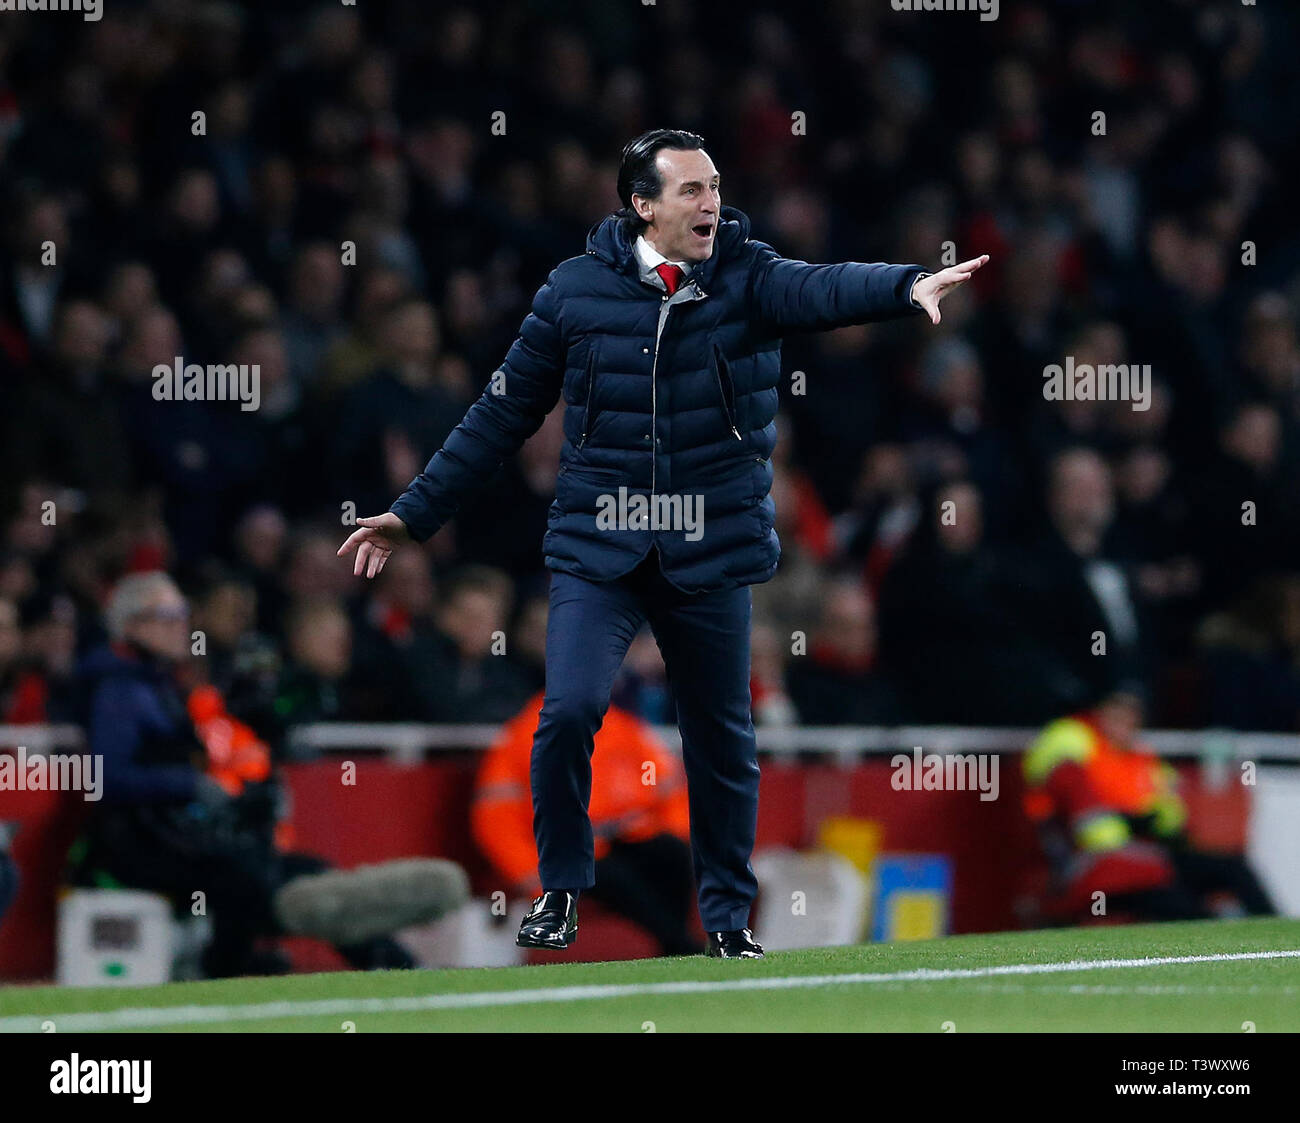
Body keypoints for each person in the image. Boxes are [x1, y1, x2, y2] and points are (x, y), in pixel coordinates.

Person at [339, 128, 985, 958]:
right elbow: (500, 414)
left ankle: (724, 919)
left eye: (714, 186)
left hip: (709, 548)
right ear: (642, 205)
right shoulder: (572, 292)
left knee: (720, 736)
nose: (711, 202)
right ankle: (562, 891)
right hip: (599, 547)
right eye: (689, 190)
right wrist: (412, 514)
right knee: (568, 710)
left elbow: (822, 289)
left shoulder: (750, 278)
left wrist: (905, 286)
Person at [70, 571, 465, 976]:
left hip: (172, 836)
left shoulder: (156, 684)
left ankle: (393, 964)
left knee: (299, 870)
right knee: (244, 874)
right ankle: (226, 969)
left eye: (182, 614)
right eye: (167, 616)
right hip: (134, 846)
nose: (180, 626)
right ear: (131, 624)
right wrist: (192, 784)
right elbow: (107, 779)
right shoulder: (119, 689)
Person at [473, 692, 701, 956]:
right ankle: (679, 946)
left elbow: (670, 790)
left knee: (673, 854)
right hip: (565, 851)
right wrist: (531, 873)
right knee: (615, 878)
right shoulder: (521, 738)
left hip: (628, 837)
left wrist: (672, 831)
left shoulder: (624, 729)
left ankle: (673, 945)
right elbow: (497, 822)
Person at [1023, 689, 1277, 923]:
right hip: (1102, 863)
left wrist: (1157, 823)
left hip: (1151, 853)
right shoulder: (1079, 757)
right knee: (1179, 903)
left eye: (1131, 719)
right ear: (1100, 717)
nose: (1125, 725)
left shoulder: (1141, 759)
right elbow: (1095, 831)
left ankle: (1276, 932)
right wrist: (1131, 823)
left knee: (1230, 866)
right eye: (1117, 717)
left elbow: (1172, 811)